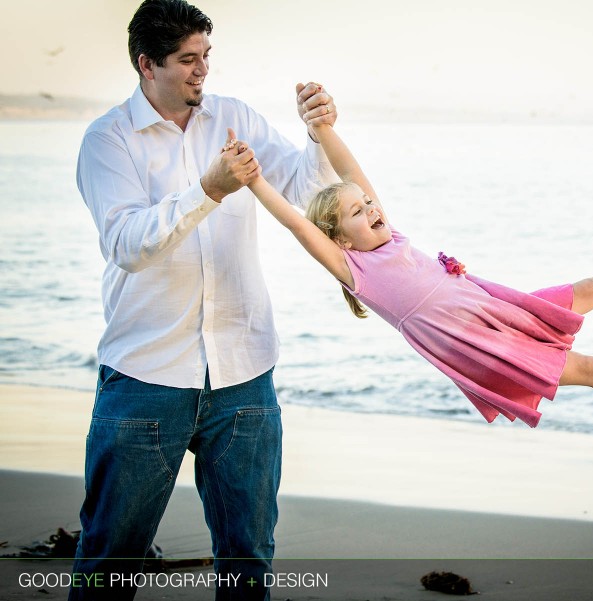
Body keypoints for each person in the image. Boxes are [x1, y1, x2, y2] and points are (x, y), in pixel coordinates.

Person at [71, 1, 338, 599]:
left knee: (249, 560)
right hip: (146, 374)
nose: (202, 71)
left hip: (244, 374)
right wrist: (208, 190)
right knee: (110, 561)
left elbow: (307, 189)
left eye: (206, 57)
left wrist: (317, 133)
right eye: (187, 60)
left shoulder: (234, 117)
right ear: (147, 64)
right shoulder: (108, 140)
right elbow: (126, 244)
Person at [234, 122, 593, 430]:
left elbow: (351, 168)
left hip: (494, 307)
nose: (370, 209)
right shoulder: (355, 268)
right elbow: (296, 223)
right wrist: (255, 179)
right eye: (357, 212)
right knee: (591, 368)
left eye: (369, 203)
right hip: (480, 344)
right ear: (340, 239)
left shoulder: (395, 235)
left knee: (589, 290)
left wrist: (323, 130)